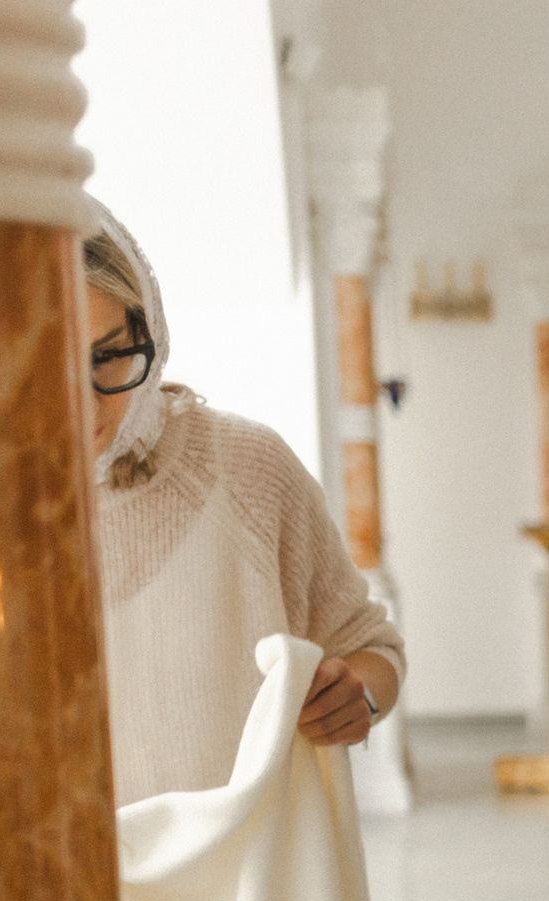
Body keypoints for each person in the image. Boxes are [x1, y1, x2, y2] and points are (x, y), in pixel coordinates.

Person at [82, 202, 401, 807]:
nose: (85, 404)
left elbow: (374, 649)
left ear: (148, 326)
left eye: (108, 355)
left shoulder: (246, 468)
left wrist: (354, 696)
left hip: (245, 888)